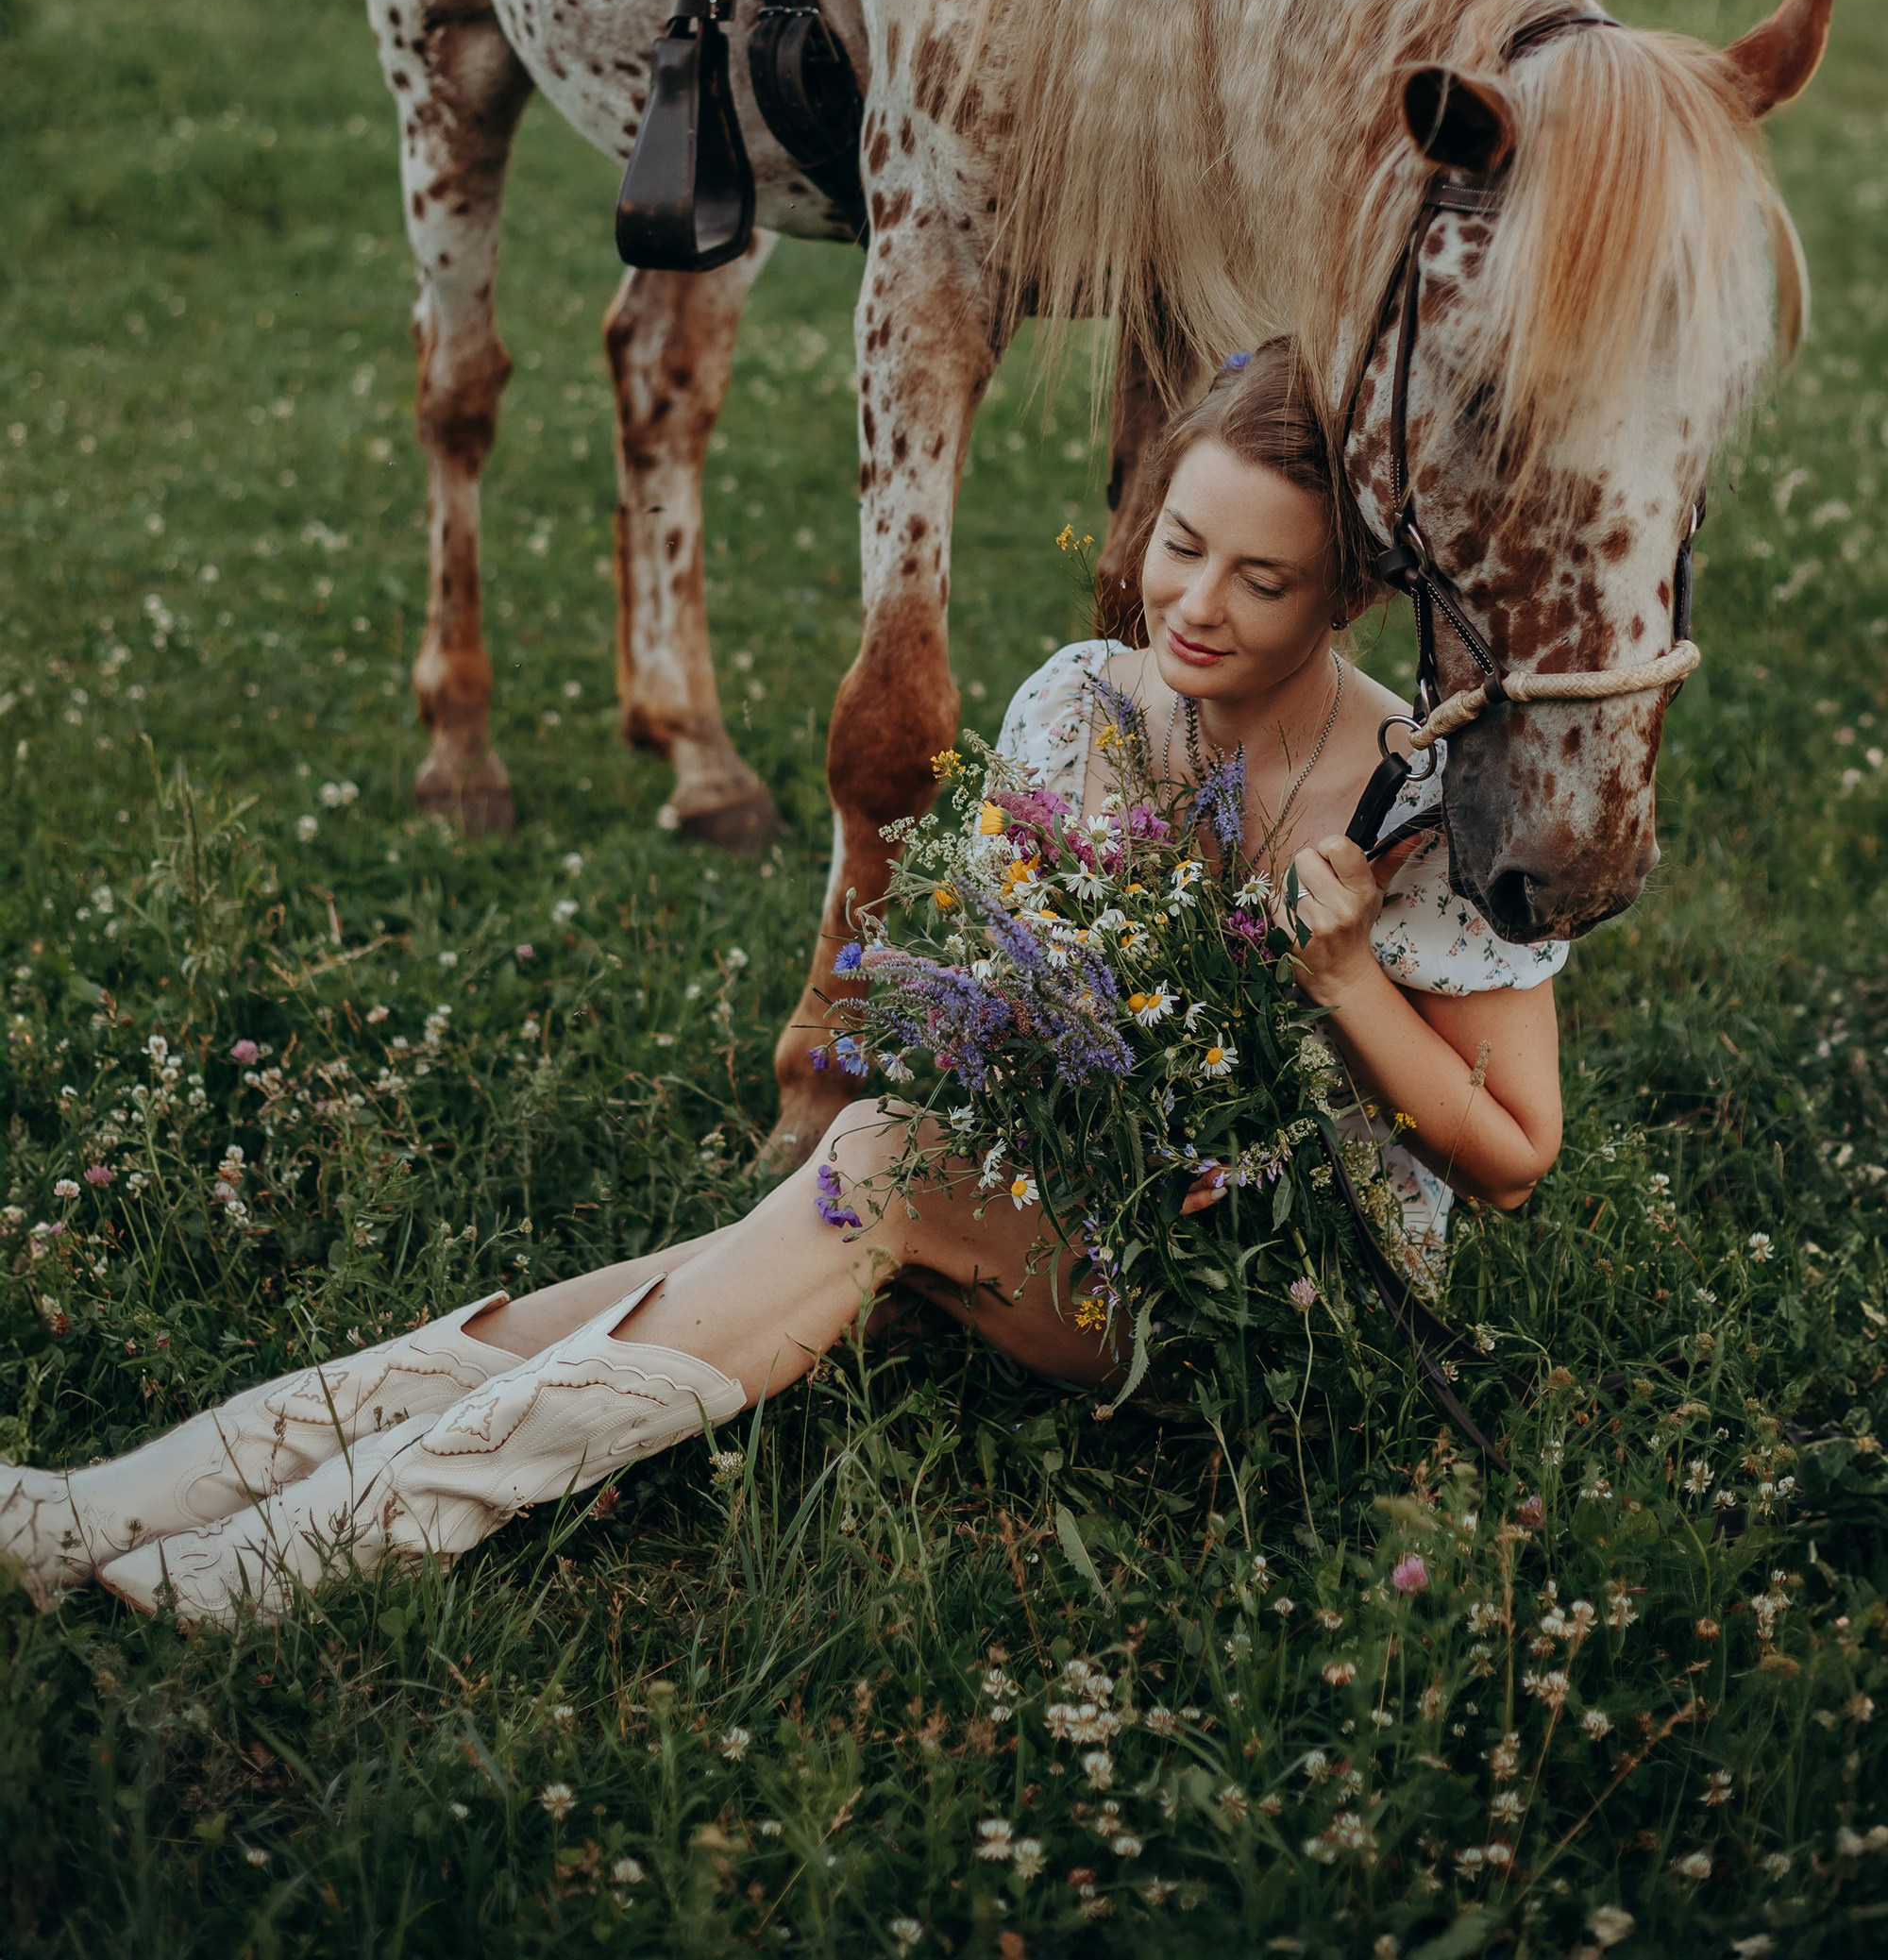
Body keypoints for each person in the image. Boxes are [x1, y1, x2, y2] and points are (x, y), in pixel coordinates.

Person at [0, 343, 1565, 1627]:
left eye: (1262, 580)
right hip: (1052, 1207)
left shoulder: (1429, 798)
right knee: (755, 1238)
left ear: (1347, 596)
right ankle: (139, 1504)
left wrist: (1348, 977)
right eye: (1177, 543)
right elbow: (1016, 1025)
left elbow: (1514, 1158)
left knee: (870, 1165)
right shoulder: (1087, 707)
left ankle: (290, 1554)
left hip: (1278, 1301)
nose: (1195, 606)